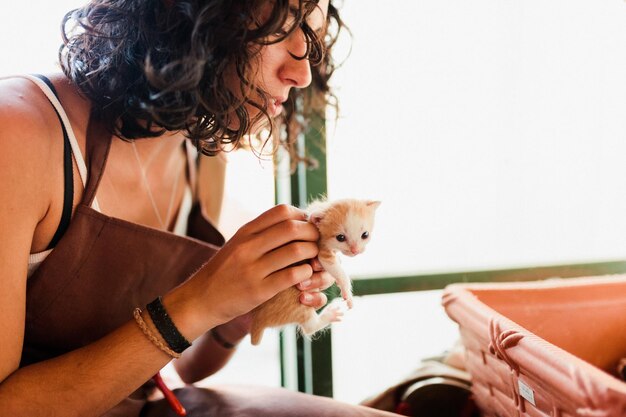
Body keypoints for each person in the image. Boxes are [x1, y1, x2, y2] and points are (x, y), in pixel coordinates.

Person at [0, 0, 400, 416]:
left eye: (311, 40)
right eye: (280, 31)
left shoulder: (200, 148)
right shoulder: (17, 133)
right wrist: (200, 301)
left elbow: (157, 380)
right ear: (193, 18)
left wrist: (233, 320)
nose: (301, 75)